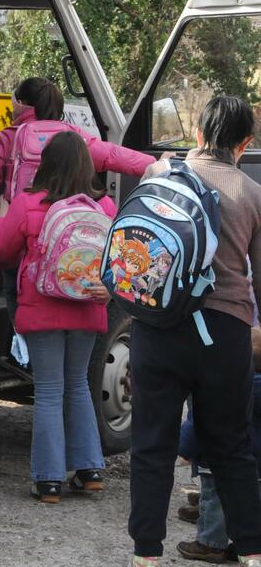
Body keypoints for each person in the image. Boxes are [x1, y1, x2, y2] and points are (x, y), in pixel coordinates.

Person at [127, 96, 261, 567]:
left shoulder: (159, 175)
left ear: (199, 134)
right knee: (231, 446)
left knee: (151, 444)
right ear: (245, 143)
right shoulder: (252, 193)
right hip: (224, 333)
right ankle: (251, 551)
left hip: (157, 326)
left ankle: (146, 554)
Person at [0, 77, 158, 382]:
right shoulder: (73, 138)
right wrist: (155, 164)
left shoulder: (7, 139)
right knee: (76, 385)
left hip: (24, 235)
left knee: (15, 289)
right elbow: (113, 155)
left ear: (23, 104)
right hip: (71, 245)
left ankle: (24, 352)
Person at [0, 130, 115, 503]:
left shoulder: (28, 203)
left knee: (48, 391)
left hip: (42, 310)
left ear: (45, 164)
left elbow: (1, 249)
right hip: (88, 306)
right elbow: (116, 261)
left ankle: (48, 480)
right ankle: (89, 470)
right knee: (77, 384)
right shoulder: (104, 207)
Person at [176, 327, 261, 563]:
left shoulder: (223, 386)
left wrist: (184, 449)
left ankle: (210, 543)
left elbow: (197, 422)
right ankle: (246, 542)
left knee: (215, 500)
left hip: (217, 455)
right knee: (249, 500)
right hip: (252, 461)